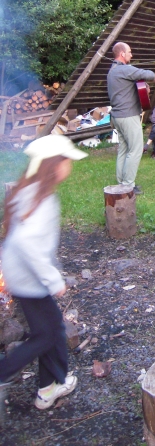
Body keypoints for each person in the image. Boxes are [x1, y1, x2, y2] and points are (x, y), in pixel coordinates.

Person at [0, 136, 88, 418]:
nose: (70, 166)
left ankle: (49, 387)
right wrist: (52, 279)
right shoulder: (43, 200)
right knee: (46, 335)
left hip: (21, 276)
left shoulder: (28, 191)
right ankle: (5, 373)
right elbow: (26, 242)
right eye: (67, 161)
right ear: (54, 165)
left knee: (52, 330)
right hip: (30, 280)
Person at [107, 42, 155, 194]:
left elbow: (126, 90)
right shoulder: (124, 69)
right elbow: (151, 75)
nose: (131, 55)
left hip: (116, 117)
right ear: (122, 54)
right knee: (135, 149)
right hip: (128, 116)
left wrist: (141, 89)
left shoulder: (112, 71)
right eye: (129, 52)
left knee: (124, 149)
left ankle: (122, 182)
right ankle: (128, 185)